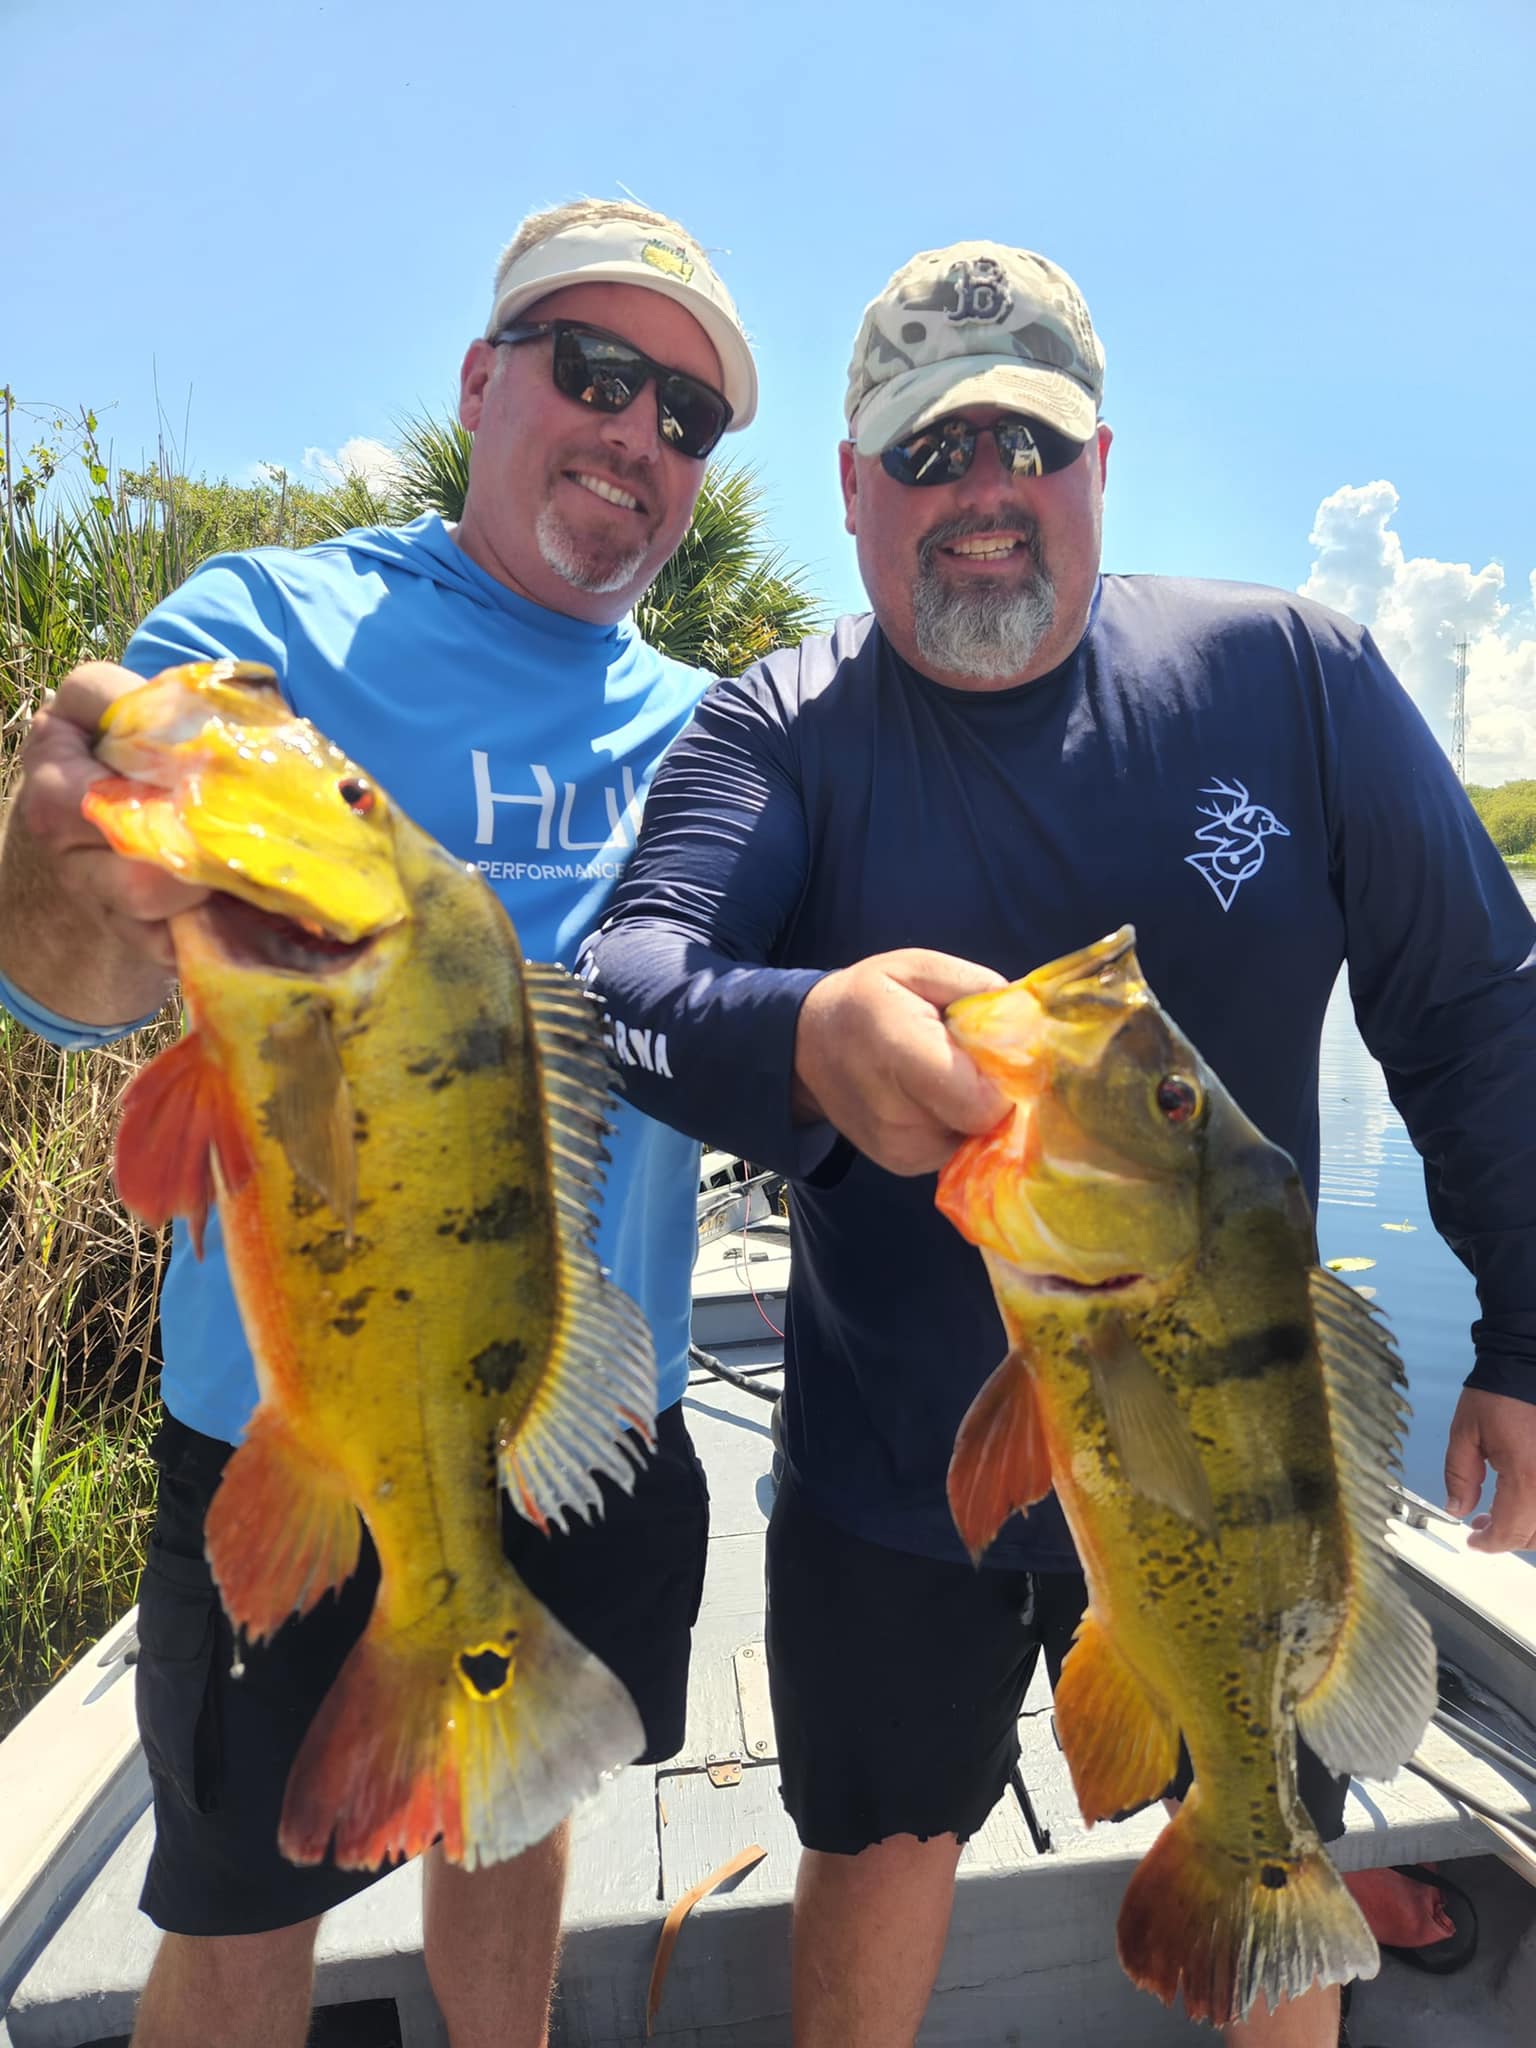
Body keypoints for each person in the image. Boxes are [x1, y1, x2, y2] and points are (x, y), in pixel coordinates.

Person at [584, 239, 1536, 2048]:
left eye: (1027, 443)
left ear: (1101, 461)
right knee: (878, 1842)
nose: (986, 492)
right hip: (895, 1474)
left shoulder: (1296, 677)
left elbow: (1478, 1006)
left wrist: (1531, 1335)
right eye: (930, 452)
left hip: (1235, 1474)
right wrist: (806, 1032)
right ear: (853, 486)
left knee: (1267, 1829)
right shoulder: (781, 725)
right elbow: (634, 976)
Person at [0, 198, 758, 2048]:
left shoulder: (719, 729)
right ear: (482, 381)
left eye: (686, 417)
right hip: (291, 1415)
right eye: (597, 370)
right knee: (241, 1899)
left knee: (510, 1818)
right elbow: (68, 990)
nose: (638, 435)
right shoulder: (263, 633)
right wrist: (66, 857)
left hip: (587, 1411)